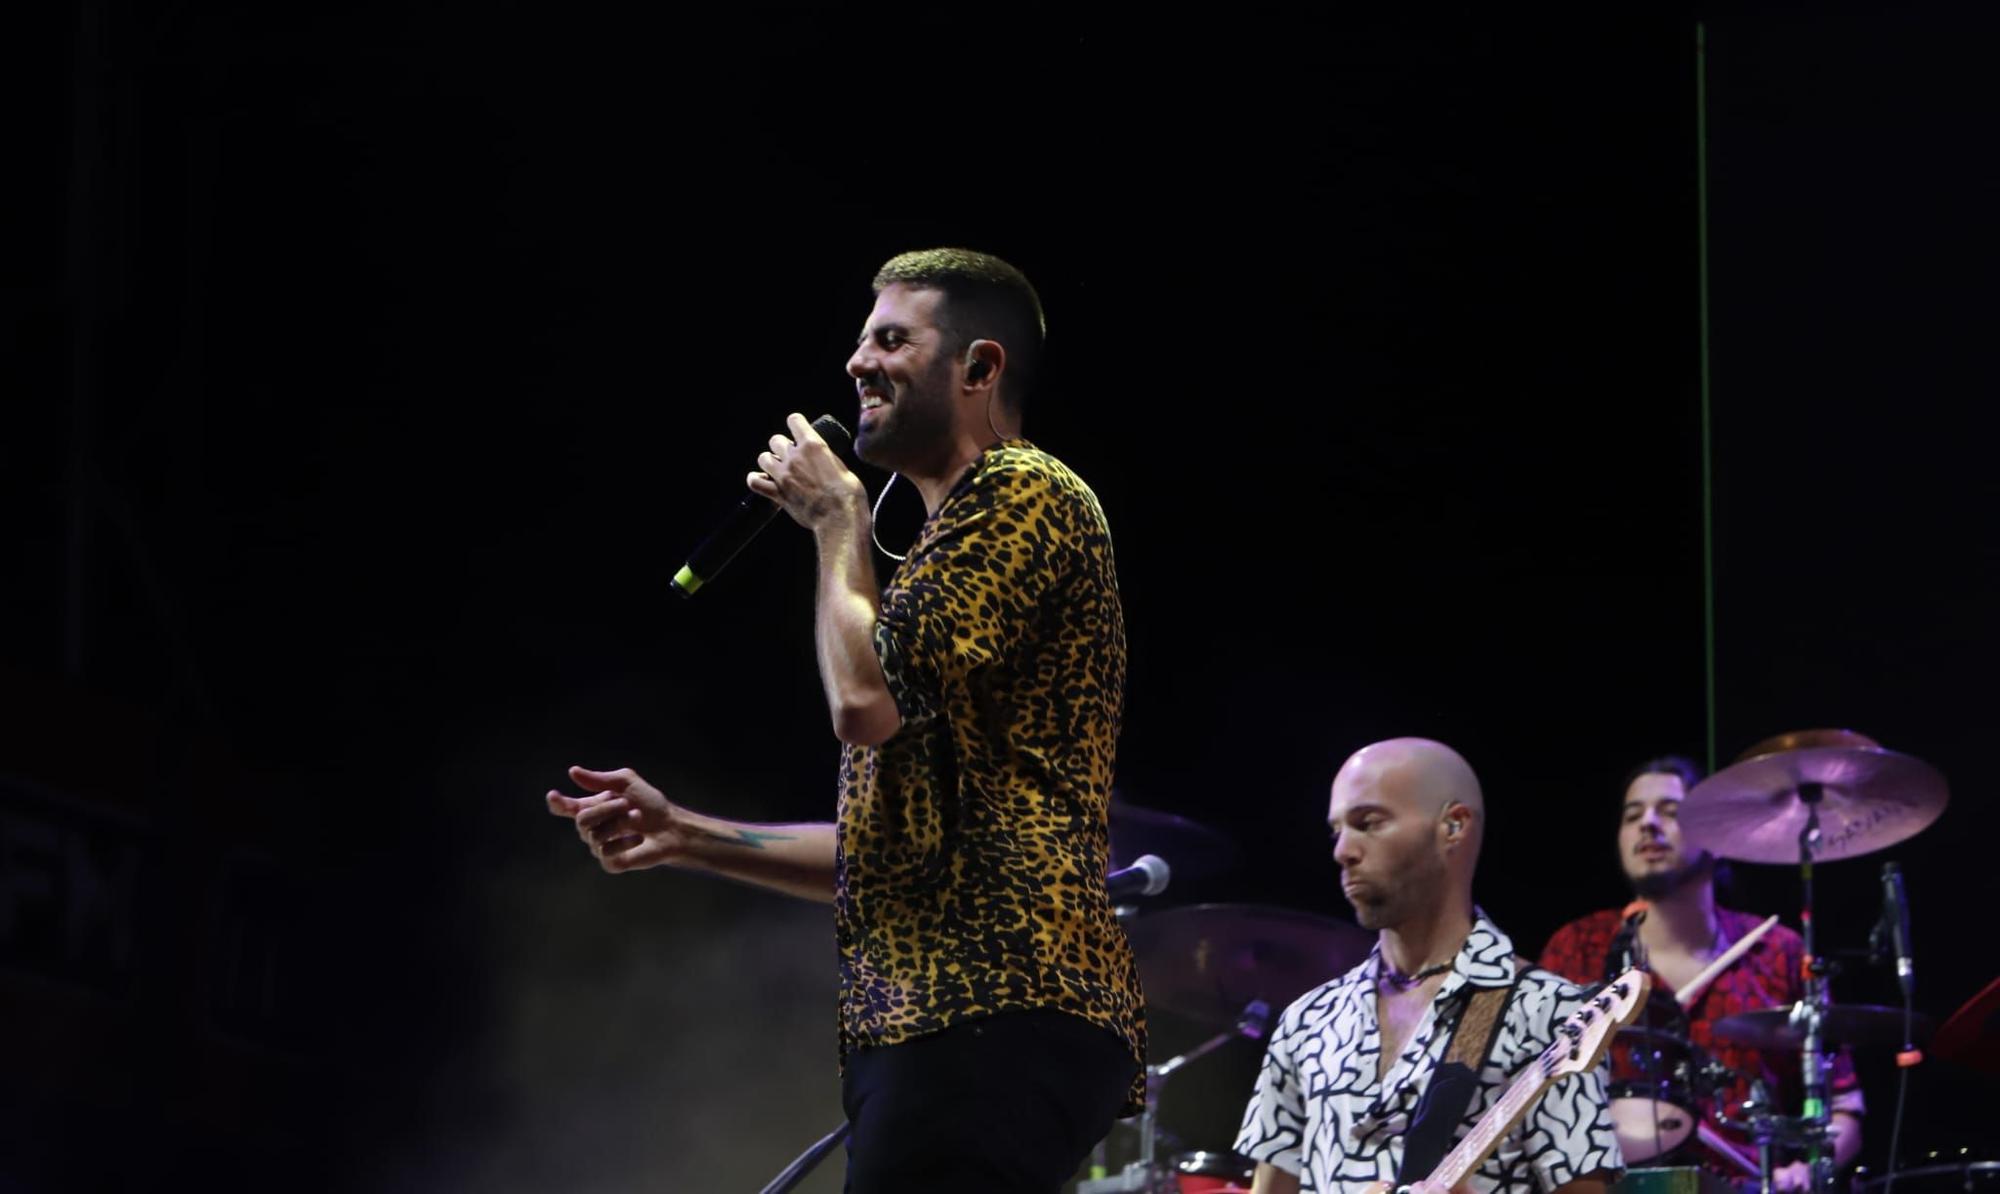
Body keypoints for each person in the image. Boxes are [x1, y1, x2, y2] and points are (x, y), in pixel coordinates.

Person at [544, 248, 1144, 1192]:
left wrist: (836, 525)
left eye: (893, 340)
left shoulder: (1028, 493)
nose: (858, 362)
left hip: (991, 1010)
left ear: (979, 369)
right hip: (939, 1024)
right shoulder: (940, 563)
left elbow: (862, 707)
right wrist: (685, 833)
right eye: (861, 339)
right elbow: (893, 854)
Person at [1235, 738, 1623, 1194]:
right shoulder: (1306, 1021)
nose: (1343, 850)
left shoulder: (1549, 1012)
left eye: (1368, 823)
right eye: (1336, 830)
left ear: (1452, 826)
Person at [1539, 756, 1863, 1190]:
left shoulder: (1777, 951)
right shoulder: (1578, 948)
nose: (1648, 824)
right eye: (1633, 815)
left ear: (1717, 835)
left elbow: (1844, 1108)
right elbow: (1533, 1099)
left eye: (1670, 812)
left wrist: (1804, 1171)